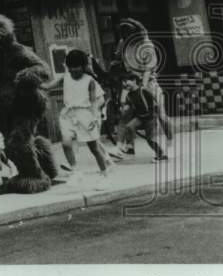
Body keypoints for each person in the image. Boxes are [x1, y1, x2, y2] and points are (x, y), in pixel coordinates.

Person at [57, 48, 112, 187]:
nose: (74, 70)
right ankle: (75, 171)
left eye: (77, 67)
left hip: (87, 115)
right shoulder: (66, 77)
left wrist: (95, 117)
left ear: (84, 66)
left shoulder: (90, 80)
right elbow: (47, 85)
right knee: (67, 141)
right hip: (70, 115)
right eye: (71, 67)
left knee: (94, 147)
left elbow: (96, 101)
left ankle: (105, 173)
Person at [115, 69, 168, 161]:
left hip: (150, 117)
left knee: (150, 139)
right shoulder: (129, 95)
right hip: (140, 117)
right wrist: (125, 107)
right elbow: (129, 105)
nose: (124, 84)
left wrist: (155, 116)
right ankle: (130, 148)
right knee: (129, 127)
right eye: (123, 82)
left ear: (134, 80)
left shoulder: (144, 91)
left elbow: (155, 103)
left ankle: (161, 154)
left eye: (126, 81)